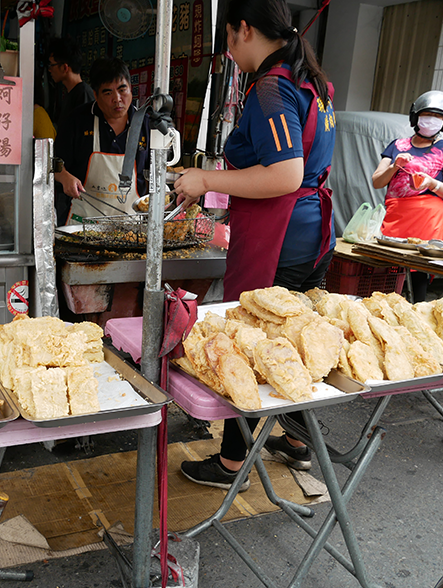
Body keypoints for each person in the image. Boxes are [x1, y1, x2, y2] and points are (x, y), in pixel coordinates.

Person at [173, 0, 336, 490]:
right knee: (295, 340)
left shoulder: (270, 87)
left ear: (245, 29)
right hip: (314, 231)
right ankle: (296, 438)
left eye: (227, 39)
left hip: (282, 234)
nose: (228, 51)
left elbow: (284, 173)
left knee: (250, 339)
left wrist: (206, 178)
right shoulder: (312, 79)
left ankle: (230, 464)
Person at [371, 91, 443, 301]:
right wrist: (395, 166)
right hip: (396, 214)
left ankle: (416, 314)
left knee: (417, 272)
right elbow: (377, 181)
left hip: (428, 220)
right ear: (415, 116)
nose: (432, 119)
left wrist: (432, 183)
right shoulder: (397, 146)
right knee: (388, 267)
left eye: (438, 116)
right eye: (427, 114)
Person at [53, 57, 149, 226]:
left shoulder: (146, 124)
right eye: (108, 92)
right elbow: (53, 163)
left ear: (131, 89)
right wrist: (65, 177)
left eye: (122, 90)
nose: (117, 99)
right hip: (83, 223)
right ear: (95, 95)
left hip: (131, 225)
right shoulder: (76, 120)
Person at [48, 37, 95, 132]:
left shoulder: (83, 94)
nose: (50, 70)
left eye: (52, 65)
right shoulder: (72, 94)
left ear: (65, 68)